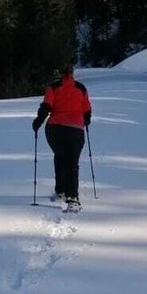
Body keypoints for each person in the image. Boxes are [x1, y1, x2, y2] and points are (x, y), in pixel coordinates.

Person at [32, 64, 93, 211]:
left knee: (59, 156)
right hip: (76, 130)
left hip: (55, 129)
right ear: (72, 73)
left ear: (59, 73)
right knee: (72, 162)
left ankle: (60, 190)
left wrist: (37, 123)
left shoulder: (52, 87)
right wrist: (85, 122)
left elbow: (46, 107)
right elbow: (87, 111)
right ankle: (72, 197)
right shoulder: (81, 88)